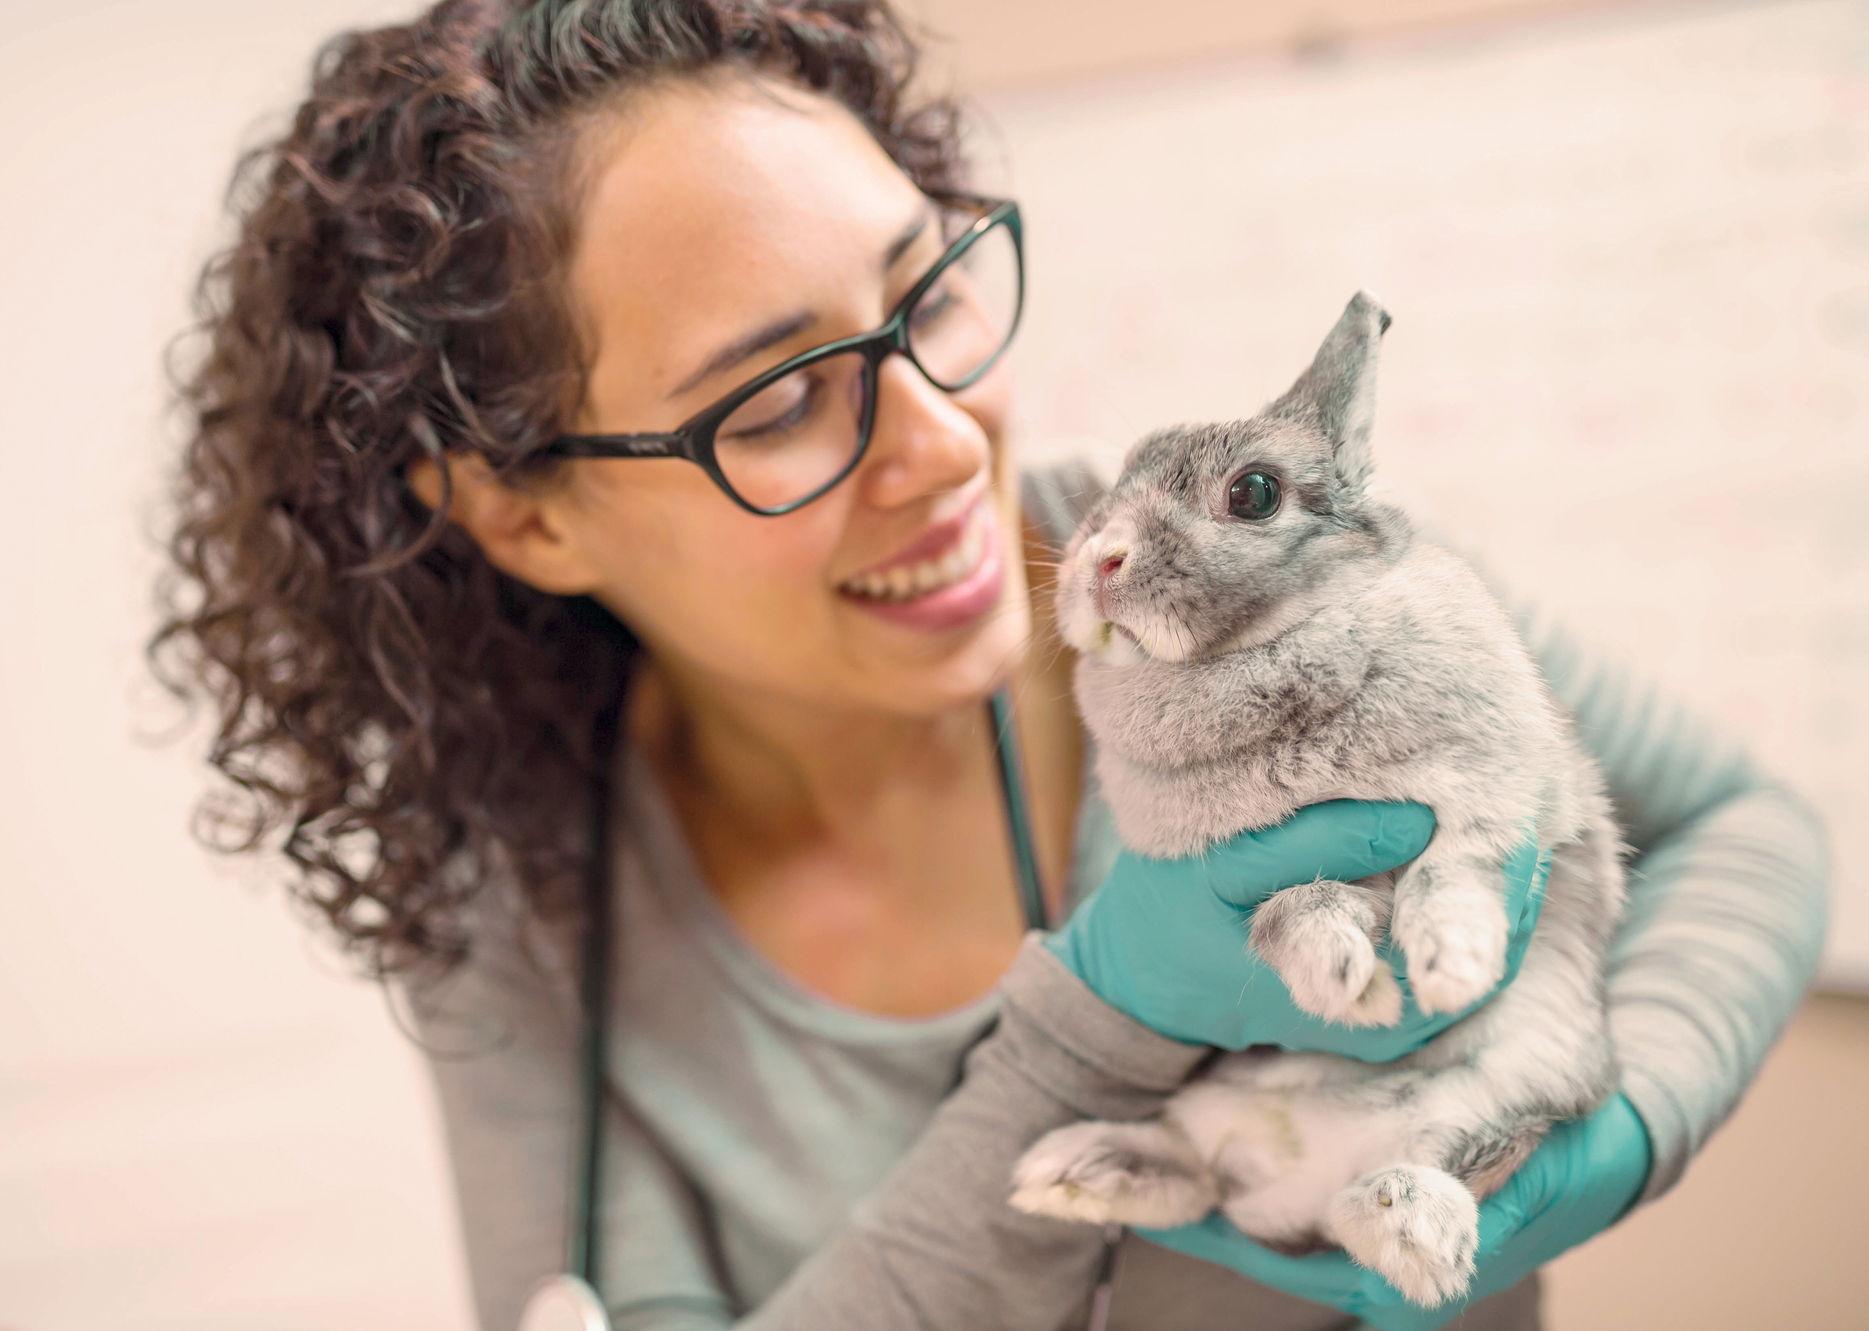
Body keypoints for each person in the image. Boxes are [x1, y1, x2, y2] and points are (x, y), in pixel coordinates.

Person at [150, 2, 1829, 1328]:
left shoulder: (1271, 579)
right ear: (527, 522)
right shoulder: (517, 898)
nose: (947, 447)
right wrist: (1088, 1038)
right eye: (776, 400)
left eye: (924, 290)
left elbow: (1745, 820)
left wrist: (1622, 1129)